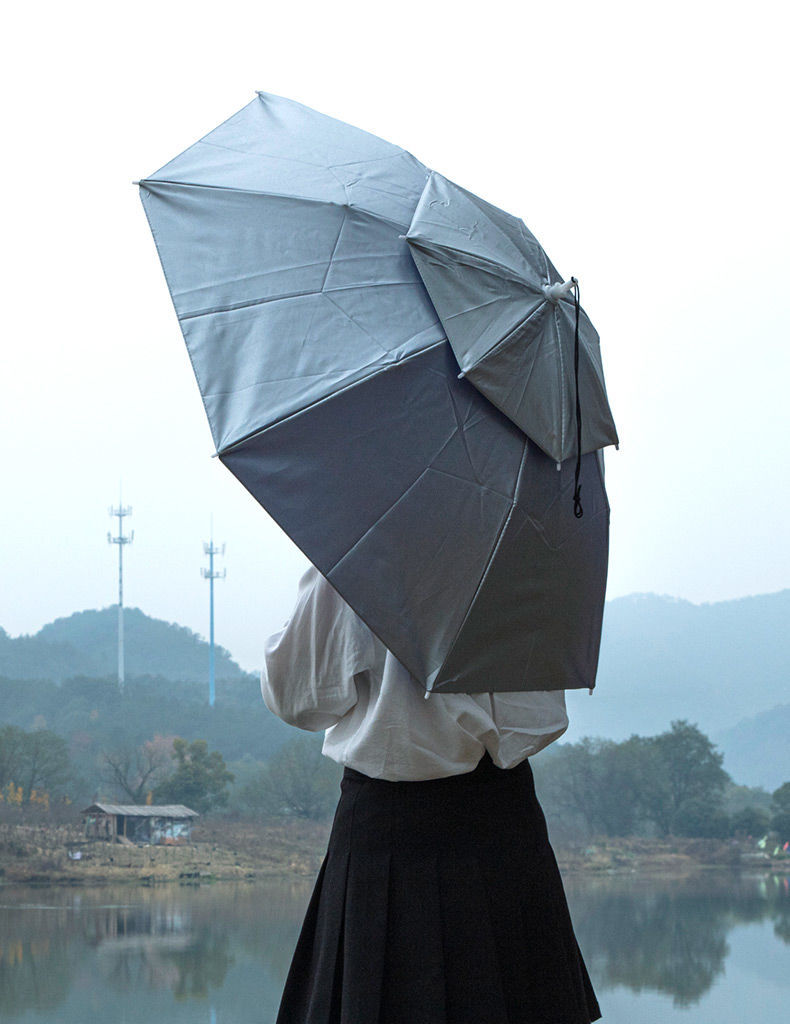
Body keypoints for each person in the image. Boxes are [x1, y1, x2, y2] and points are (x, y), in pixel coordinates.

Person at [262, 564, 601, 1024]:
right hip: (502, 817)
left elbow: (298, 699)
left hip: (391, 824)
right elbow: (536, 718)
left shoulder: (367, 555)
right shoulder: (531, 557)